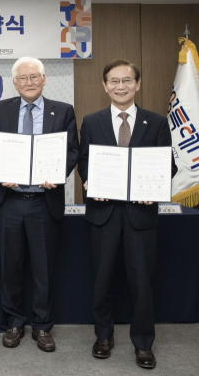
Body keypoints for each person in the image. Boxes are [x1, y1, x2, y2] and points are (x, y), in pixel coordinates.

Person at [78, 59, 177, 369]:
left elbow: (168, 165)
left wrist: (154, 189)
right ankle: (103, 336)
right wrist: (90, 181)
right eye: (114, 81)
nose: (120, 86)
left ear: (137, 84)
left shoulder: (157, 122)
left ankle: (143, 344)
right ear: (105, 85)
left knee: (142, 282)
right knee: (101, 278)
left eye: (127, 80)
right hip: (103, 212)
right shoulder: (91, 121)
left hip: (140, 214)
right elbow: (84, 161)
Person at [0, 57, 80, 352]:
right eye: (22, 78)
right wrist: (1, 172)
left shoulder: (63, 110)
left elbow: (72, 150)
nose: (29, 82)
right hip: (10, 201)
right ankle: (13, 322)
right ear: (15, 83)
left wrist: (57, 175)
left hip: (43, 202)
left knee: (44, 269)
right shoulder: (2, 108)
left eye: (34, 76)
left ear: (44, 79)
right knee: (10, 266)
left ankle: (42, 325)